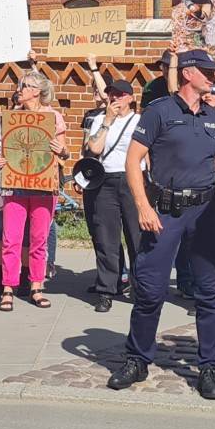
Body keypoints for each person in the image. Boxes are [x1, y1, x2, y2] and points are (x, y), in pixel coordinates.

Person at [110, 50, 215, 399]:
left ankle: (210, 367)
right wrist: (142, 207)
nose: (214, 77)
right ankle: (137, 359)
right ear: (188, 73)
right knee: (150, 289)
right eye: (208, 71)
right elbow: (133, 160)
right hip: (164, 210)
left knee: (209, 292)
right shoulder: (159, 112)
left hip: (205, 210)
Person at [0, 70, 65, 313]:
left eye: (23, 86)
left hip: (44, 186)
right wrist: (0, 161)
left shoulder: (54, 117)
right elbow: (2, 152)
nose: (19, 90)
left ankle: (36, 285)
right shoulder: (12, 118)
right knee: (11, 239)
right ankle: (8, 287)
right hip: (15, 185)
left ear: (36, 91)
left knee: (39, 239)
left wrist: (61, 151)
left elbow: (65, 153)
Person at [80, 78, 141, 314]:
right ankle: (107, 289)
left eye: (120, 94)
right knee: (107, 238)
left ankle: (139, 286)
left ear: (131, 98)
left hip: (132, 179)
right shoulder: (98, 120)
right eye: (112, 94)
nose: (115, 98)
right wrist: (107, 121)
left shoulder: (139, 121)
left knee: (136, 236)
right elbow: (94, 149)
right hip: (105, 181)